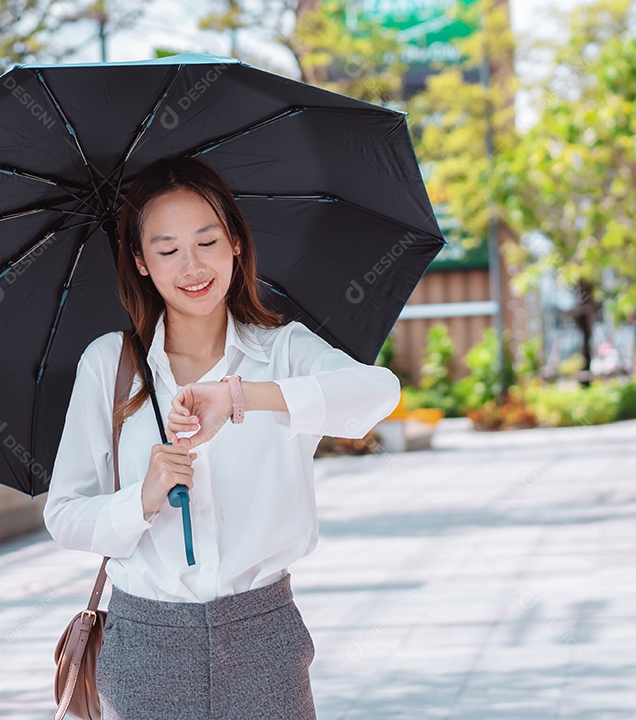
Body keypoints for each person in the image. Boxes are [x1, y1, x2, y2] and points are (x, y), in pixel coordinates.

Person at [42, 156, 401, 720]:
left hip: (264, 639)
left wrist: (242, 396)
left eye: (207, 241)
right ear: (140, 261)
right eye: (166, 250)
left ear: (235, 242)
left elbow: (377, 393)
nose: (191, 266)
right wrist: (144, 496)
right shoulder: (109, 365)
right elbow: (64, 514)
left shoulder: (283, 350)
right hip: (144, 646)